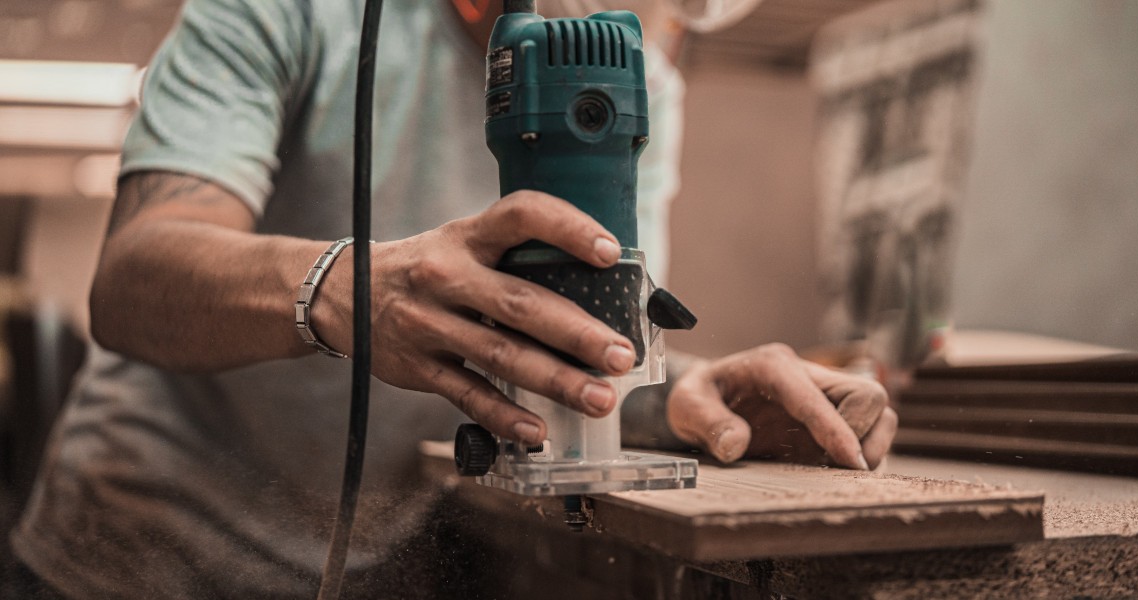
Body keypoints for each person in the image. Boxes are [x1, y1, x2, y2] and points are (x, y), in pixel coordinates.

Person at [7, 0, 897, 598]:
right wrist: (346, 289)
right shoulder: (288, 12)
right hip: (135, 557)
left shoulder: (642, 79)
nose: (653, 27)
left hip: (370, 561)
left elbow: (596, 321)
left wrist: (683, 395)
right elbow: (133, 277)